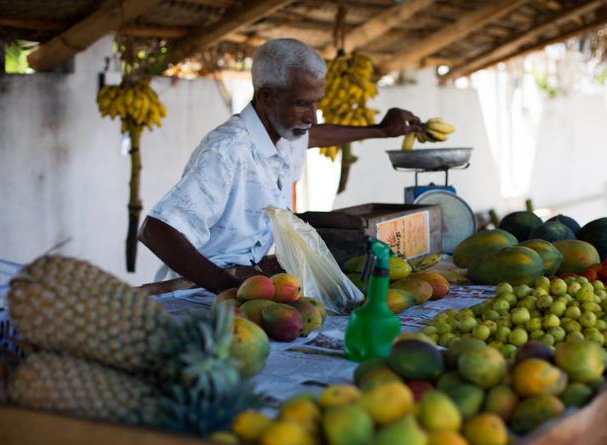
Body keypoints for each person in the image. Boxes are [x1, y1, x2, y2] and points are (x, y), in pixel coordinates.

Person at [139, 38, 422, 294]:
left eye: (315, 104)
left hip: (248, 279)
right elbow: (155, 231)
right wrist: (228, 287)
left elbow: (316, 135)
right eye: (302, 104)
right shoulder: (227, 151)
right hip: (197, 290)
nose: (312, 117)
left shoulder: (284, 131)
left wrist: (379, 130)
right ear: (265, 97)